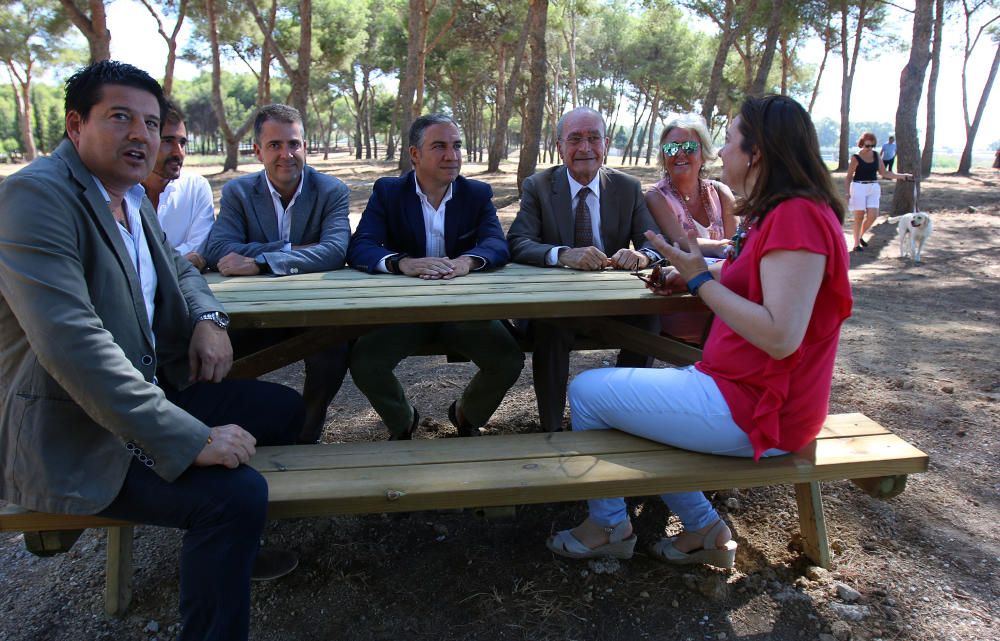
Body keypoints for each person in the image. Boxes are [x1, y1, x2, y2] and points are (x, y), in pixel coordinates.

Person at [0, 61, 305, 641]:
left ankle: (231, 554)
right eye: (120, 118)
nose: (141, 135)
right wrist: (192, 440)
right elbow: (75, 346)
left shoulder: (131, 199)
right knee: (234, 497)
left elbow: (185, 274)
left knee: (284, 411)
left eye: (149, 121)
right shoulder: (34, 199)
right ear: (74, 125)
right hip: (76, 432)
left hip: (146, 397)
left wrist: (210, 321)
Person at [544, 95, 852, 570]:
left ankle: (609, 526)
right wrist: (696, 271)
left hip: (760, 408)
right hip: (740, 390)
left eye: (729, 141)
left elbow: (781, 335)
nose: (722, 152)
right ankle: (703, 527)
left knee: (587, 393)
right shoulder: (785, 211)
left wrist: (701, 281)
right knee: (626, 407)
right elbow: (757, 282)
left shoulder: (797, 217)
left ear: (759, 153)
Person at [347, 114, 524, 439]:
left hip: (464, 310)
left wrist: (468, 262)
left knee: (508, 359)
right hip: (404, 311)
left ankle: (466, 415)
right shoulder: (388, 192)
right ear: (415, 154)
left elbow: (497, 244)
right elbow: (361, 246)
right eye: (439, 146)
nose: (452, 155)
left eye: (456, 146)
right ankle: (403, 422)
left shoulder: (476, 194)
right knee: (365, 362)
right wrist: (401, 263)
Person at [203, 103, 352, 443]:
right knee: (223, 352)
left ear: (305, 146)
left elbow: (336, 251)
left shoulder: (331, 190)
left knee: (334, 349)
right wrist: (299, 250)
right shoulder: (238, 192)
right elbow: (217, 250)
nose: (287, 154)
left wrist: (261, 260)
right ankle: (250, 428)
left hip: (315, 310)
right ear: (258, 151)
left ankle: (308, 431)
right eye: (275, 145)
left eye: (294, 144)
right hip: (254, 312)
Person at [507, 106, 662, 432]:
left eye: (594, 138)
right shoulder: (538, 186)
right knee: (551, 324)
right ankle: (551, 428)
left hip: (611, 303)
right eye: (575, 139)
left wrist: (642, 257)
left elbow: (655, 244)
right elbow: (518, 242)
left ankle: (625, 414)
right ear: (560, 145)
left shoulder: (627, 187)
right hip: (555, 304)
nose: (585, 148)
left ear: (606, 143)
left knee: (649, 319)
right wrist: (564, 254)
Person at [645, 113, 737, 343]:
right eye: (671, 148)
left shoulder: (721, 192)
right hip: (681, 295)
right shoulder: (656, 196)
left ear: (704, 154)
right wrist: (721, 247)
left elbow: (736, 245)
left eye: (688, 146)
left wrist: (729, 251)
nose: (679, 154)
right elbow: (680, 242)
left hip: (726, 293)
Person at [140, 100, 214, 271]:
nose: (178, 152)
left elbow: (199, 249)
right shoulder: (121, 191)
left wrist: (146, 262)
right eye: (167, 141)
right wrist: (179, 260)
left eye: (182, 143)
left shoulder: (196, 188)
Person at [845, 132, 913, 252]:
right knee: (859, 216)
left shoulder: (876, 155)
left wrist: (903, 176)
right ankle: (856, 243)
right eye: (867, 146)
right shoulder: (856, 157)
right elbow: (849, 176)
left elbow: (884, 173)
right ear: (862, 144)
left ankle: (859, 235)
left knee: (873, 215)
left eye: (872, 146)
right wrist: (847, 192)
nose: (870, 148)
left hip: (873, 187)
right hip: (858, 186)